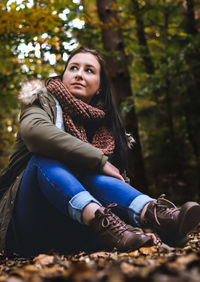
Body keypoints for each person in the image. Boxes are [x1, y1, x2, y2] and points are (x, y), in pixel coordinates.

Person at [0, 47, 200, 257]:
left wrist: (133, 233)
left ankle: (159, 217)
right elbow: (36, 133)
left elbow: (113, 188)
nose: (79, 74)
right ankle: (99, 217)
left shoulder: (107, 128)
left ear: (99, 87)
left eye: (89, 70)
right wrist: (100, 161)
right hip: (25, 223)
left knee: (91, 177)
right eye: (73, 68)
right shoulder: (41, 103)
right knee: (45, 158)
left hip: (71, 231)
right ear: (64, 75)